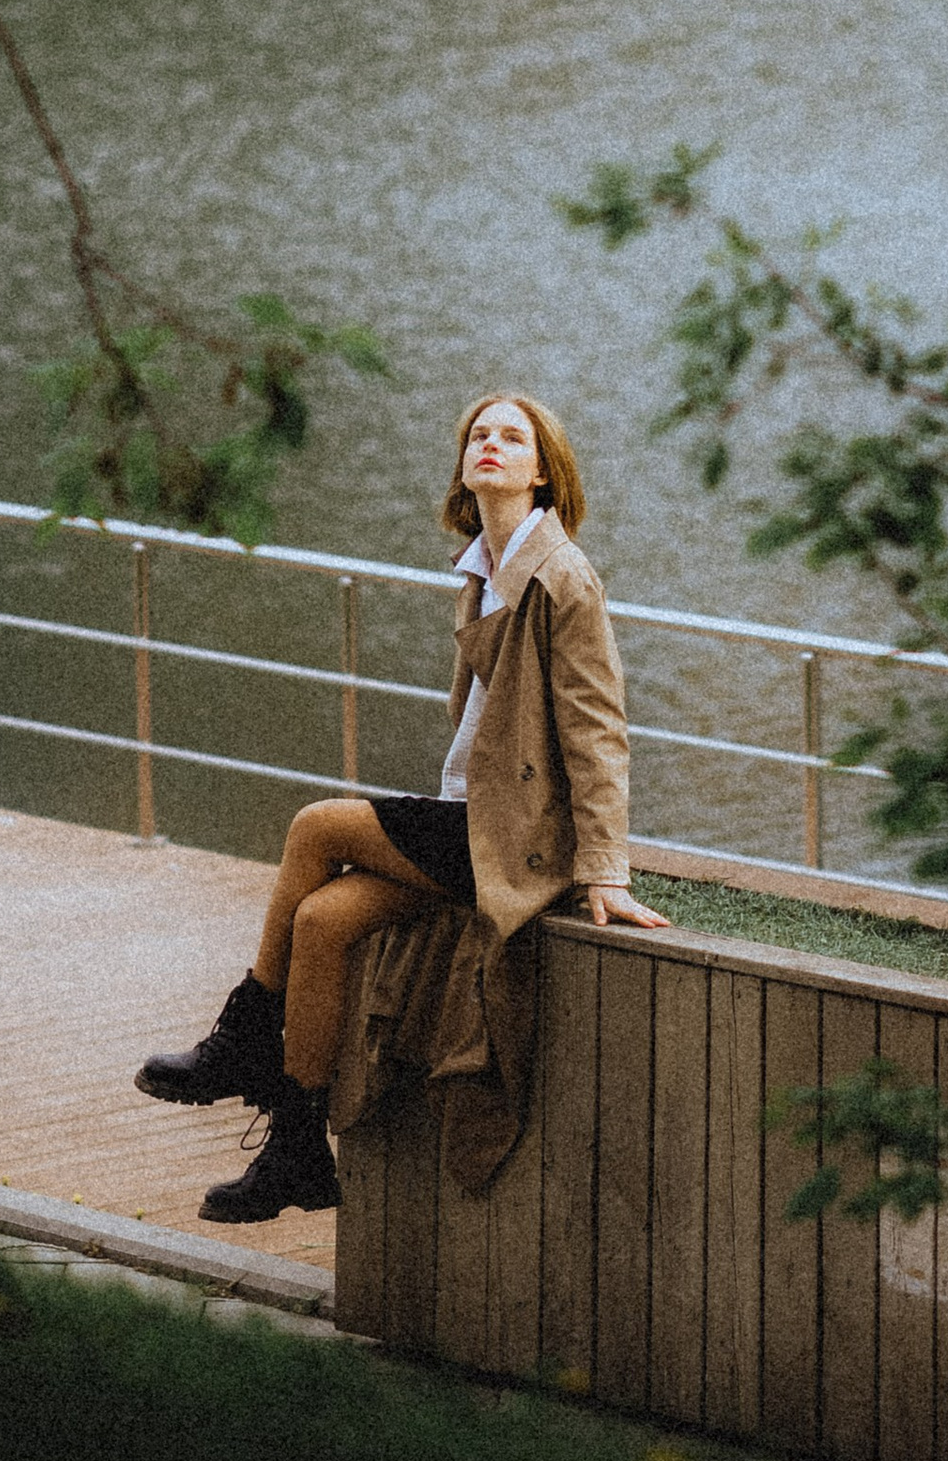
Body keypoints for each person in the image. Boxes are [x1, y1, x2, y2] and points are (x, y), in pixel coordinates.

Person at [135, 389, 665, 1221]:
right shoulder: (482, 569)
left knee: (317, 826)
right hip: (466, 817)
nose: (491, 444)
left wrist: (605, 869)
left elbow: (599, 731)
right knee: (323, 922)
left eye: (512, 437)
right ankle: (297, 1150)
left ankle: (242, 1037)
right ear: (465, 464)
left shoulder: (563, 576)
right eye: (479, 434)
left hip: (511, 839)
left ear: (542, 472)